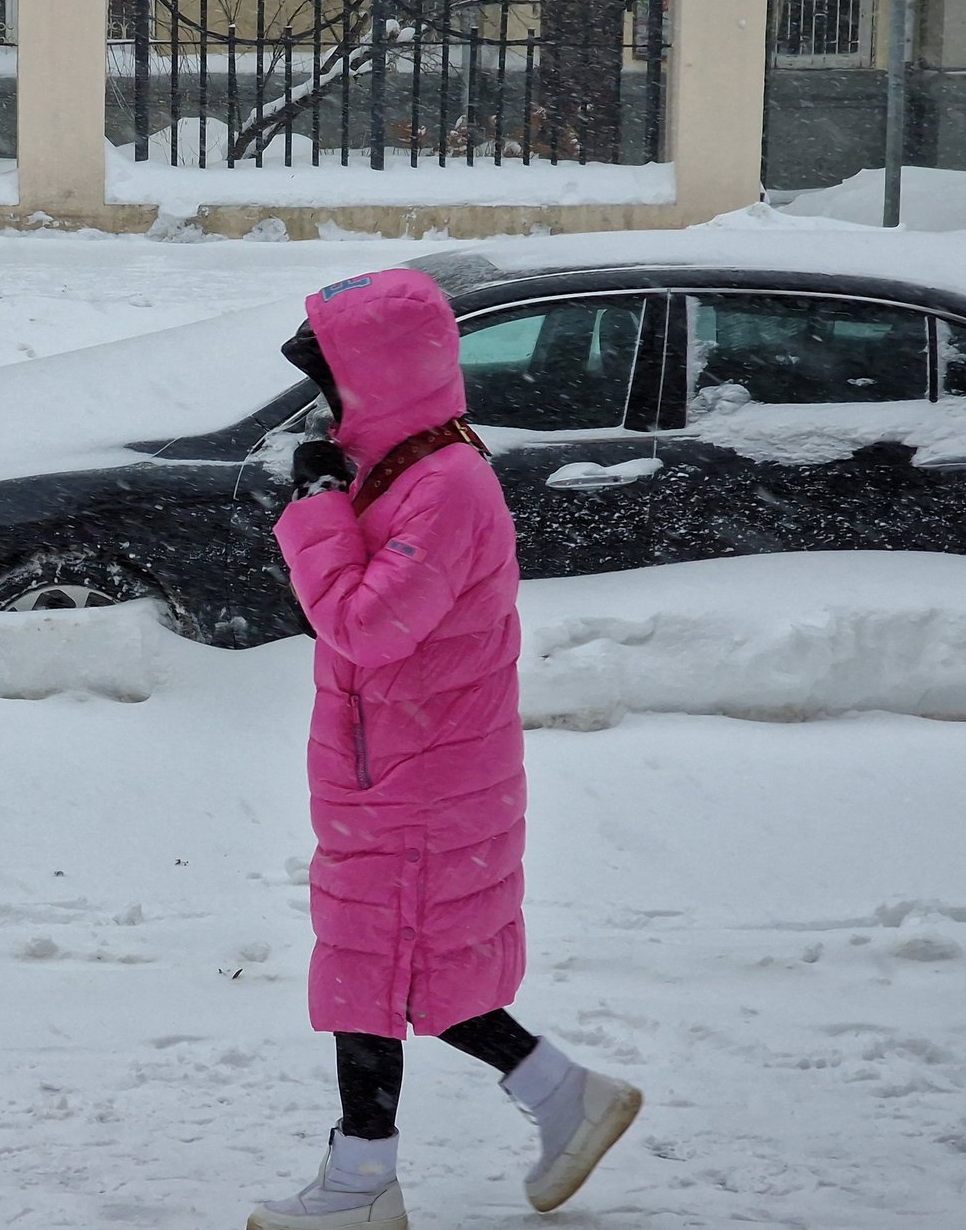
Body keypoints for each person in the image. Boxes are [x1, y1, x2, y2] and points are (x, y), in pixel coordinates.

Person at [248, 271, 642, 1230]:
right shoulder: (408, 468)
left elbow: (365, 625)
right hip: (393, 768)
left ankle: (360, 1182)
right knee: (401, 963)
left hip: (420, 777)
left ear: (376, 380)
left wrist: (316, 509)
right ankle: (563, 1096)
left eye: (332, 379)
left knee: (372, 968)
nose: (323, 400)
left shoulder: (446, 487)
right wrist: (337, 493)